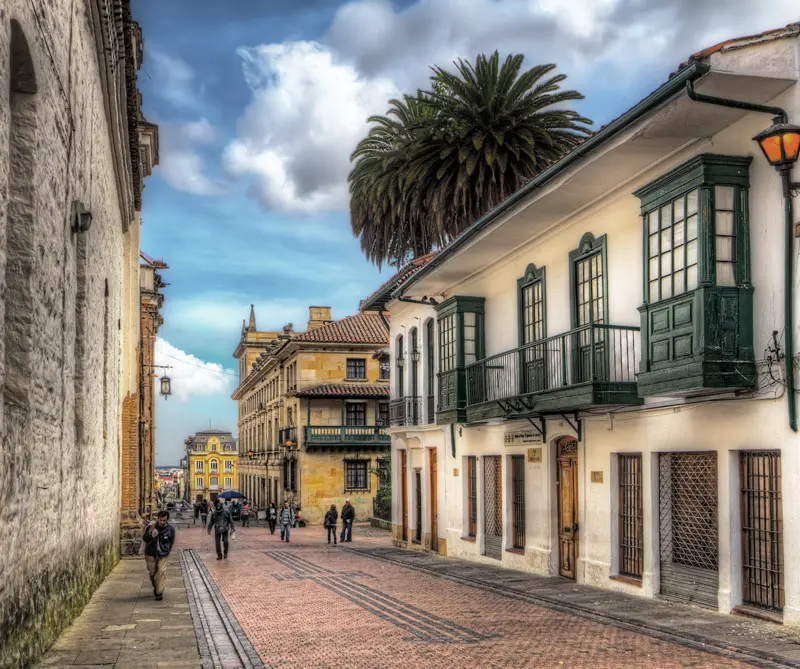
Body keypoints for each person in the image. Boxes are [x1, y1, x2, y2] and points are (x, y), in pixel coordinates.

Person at [142, 510, 176, 601]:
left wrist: (167, 550)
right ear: (158, 519)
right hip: (151, 553)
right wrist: (150, 531)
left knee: (161, 571)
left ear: (167, 520)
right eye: (161, 520)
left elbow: (171, 542)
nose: (162, 522)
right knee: (153, 573)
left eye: (164, 520)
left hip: (163, 554)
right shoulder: (151, 526)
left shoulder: (170, 529)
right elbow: (145, 539)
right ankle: (156, 586)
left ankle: (159, 592)